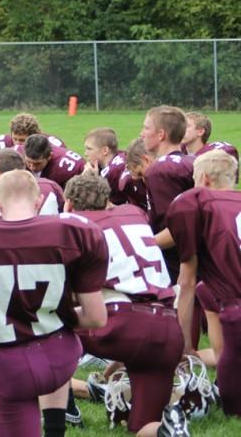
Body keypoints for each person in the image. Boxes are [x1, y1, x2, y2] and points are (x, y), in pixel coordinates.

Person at [0, 171, 109, 437]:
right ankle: (55, 428)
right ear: (38, 201)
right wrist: (54, 317)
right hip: (60, 356)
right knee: (57, 337)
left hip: (7, 362)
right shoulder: (74, 231)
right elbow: (96, 318)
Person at [63, 174, 187, 436]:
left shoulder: (74, 224)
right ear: (108, 200)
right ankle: (169, 429)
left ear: (70, 204)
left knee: (46, 330)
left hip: (121, 324)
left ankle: (64, 409)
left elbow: (66, 293)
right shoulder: (134, 213)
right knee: (142, 427)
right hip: (168, 327)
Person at [167, 149, 241, 417]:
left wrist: (183, 347)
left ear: (205, 179)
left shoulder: (197, 201)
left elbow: (186, 279)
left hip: (234, 305)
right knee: (207, 289)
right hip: (222, 295)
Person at [140, 105, 194, 281]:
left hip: (175, 262)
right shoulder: (193, 160)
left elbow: (176, 229)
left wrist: (141, 247)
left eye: (146, 128)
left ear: (161, 134)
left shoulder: (161, 170)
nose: (142, 133)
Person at [82, 127, 131, 205]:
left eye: (89, 149)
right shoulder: (121, 155)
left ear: (105, 151)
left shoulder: (112, 172)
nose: (85, 153)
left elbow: (99, 204)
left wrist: (92, 179)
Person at [0, 112, 65, 158]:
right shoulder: (1, 145)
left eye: (22, 140)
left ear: (35, 136)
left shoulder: (51, 144)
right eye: (15, 139)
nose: (17, 143)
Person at [23, 134, 87, 189]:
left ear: (49, 156)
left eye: (37, 163)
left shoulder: (62, 169)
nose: (32, 167)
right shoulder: (18, 152)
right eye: (28, 162)